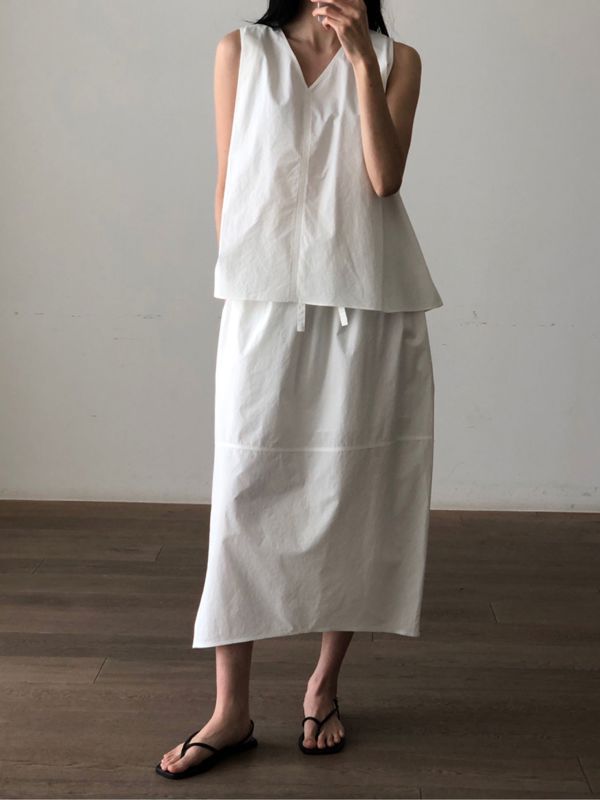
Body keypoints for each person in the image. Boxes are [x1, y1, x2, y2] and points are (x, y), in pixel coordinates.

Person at [156, 0, 443, 780]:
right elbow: (228, 182)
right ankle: (231, 710)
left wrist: (360, 63)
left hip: (370, 304)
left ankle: (323, 685)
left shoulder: (397, 60)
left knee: (354, 489)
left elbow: (383, 179)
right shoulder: (241, 51)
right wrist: (241, 296)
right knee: (243, 492)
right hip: (265, 303)